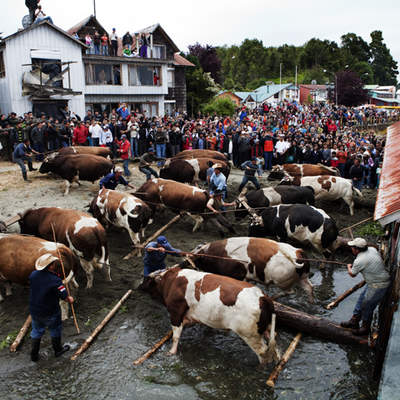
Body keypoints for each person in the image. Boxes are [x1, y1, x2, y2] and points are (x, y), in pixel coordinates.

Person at [340, 238, 390, 336]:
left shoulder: (359, 261)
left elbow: (352, 274)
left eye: (352, 247)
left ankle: (365, 328)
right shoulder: (372, 249)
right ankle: (354, 321)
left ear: (357, 249)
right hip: (373, 281)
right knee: (361, 299)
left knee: (367, 306)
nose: (351, 249)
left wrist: (349, 267)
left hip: (379, 285)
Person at [29, 254, 74, 362]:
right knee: (55, 329)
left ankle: (34, 356)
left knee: (37, 331)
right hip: (50, 311)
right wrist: (70, 298)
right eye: (53, 263)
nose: (55, 264)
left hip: (35, 310)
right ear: (51, 266)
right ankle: (58, 350)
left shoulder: (33, 275)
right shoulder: (55, 280)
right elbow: (64, 296)